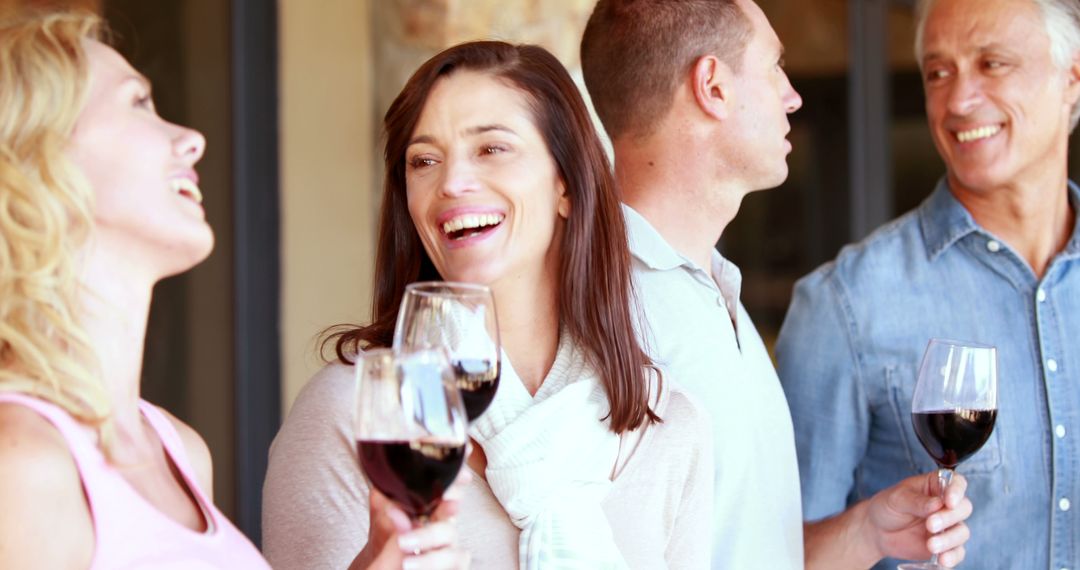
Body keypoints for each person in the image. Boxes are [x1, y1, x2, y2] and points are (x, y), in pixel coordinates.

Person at [261, 40, 713, 569]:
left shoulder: (669, 425)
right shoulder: (359, 412)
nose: (451, 183)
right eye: (424, 160)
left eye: (492, 149)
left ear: (566, 185)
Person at [580, 0, 974, 568]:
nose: (792, 97)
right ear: (713, 87)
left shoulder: (716, 289)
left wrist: (869, 531)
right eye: (775, 66)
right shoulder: (605, 316)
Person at [775, 0, 1080, 567]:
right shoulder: (845, 304)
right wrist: (866, 530)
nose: (958, 100)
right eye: (938, 72)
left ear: (1073, 77)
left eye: (992, 64)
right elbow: (776, 555)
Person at [0, 10, 269, 569]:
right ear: (41, 156)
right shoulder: (23, 464)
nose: (192, 139)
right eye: (139, 103)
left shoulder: (181, 451)